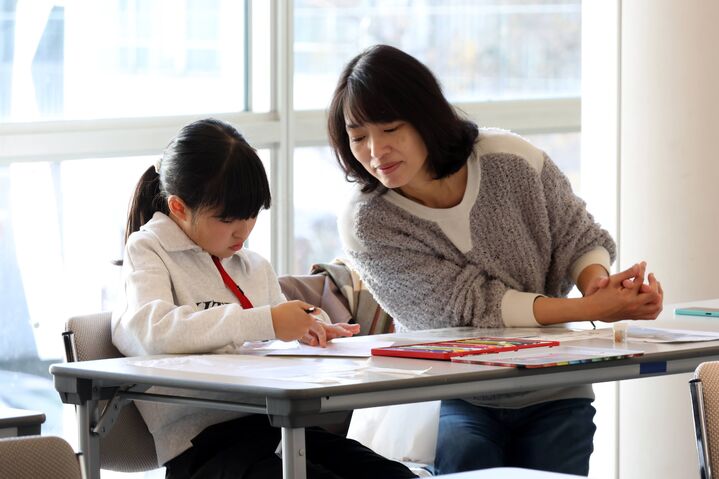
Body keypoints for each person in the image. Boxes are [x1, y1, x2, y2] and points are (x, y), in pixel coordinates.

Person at [327, 45, 663, 476]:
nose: (376, 151)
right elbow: (468, 310)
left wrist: (601, 286)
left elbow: (576, 235)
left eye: (391, 129)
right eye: (358, 138)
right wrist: (592, 308)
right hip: (456, 391)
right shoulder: (366, 221)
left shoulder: (509, 158)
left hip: (555, 384)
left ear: (426, 117)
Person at [112, 118, 417, 479]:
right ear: (178, 208)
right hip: (202, 449)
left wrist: (311, 327)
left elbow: (277, 332)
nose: (243, 231)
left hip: (276, 429)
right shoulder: (148, 250)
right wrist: (268, 321)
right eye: (227, 219)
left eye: (252, 214)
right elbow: (152, 332)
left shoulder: (253, 265)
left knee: (395, 476)